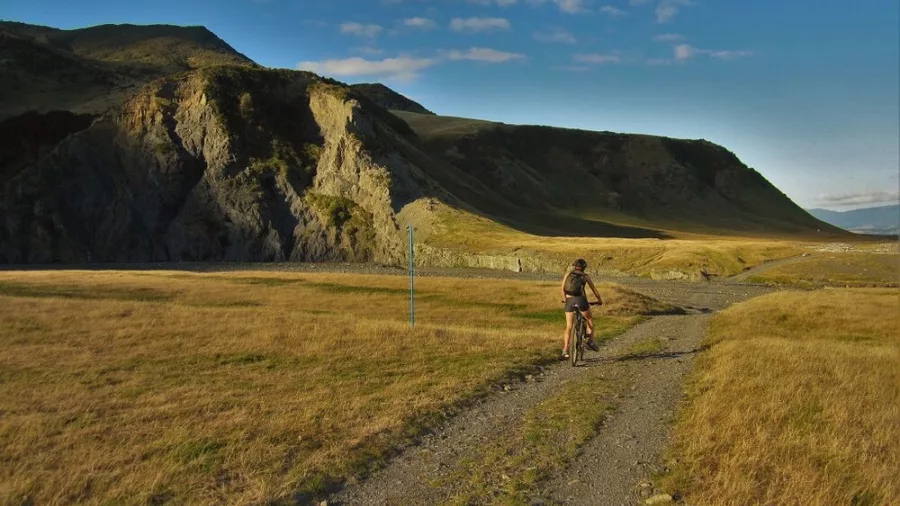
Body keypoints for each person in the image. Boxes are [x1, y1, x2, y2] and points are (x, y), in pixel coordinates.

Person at [560, 258, 603, 359]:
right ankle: (590, 341)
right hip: (581, 300)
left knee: (569, 326)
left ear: (575, 266)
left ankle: (565, 349)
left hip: (569, 301)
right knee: (590, 321)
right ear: (584, 267)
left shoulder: (568, 274)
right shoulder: (585, 276)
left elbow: (562, 288)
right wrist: (600, 300)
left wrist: (565, 300)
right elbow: (594, 290)